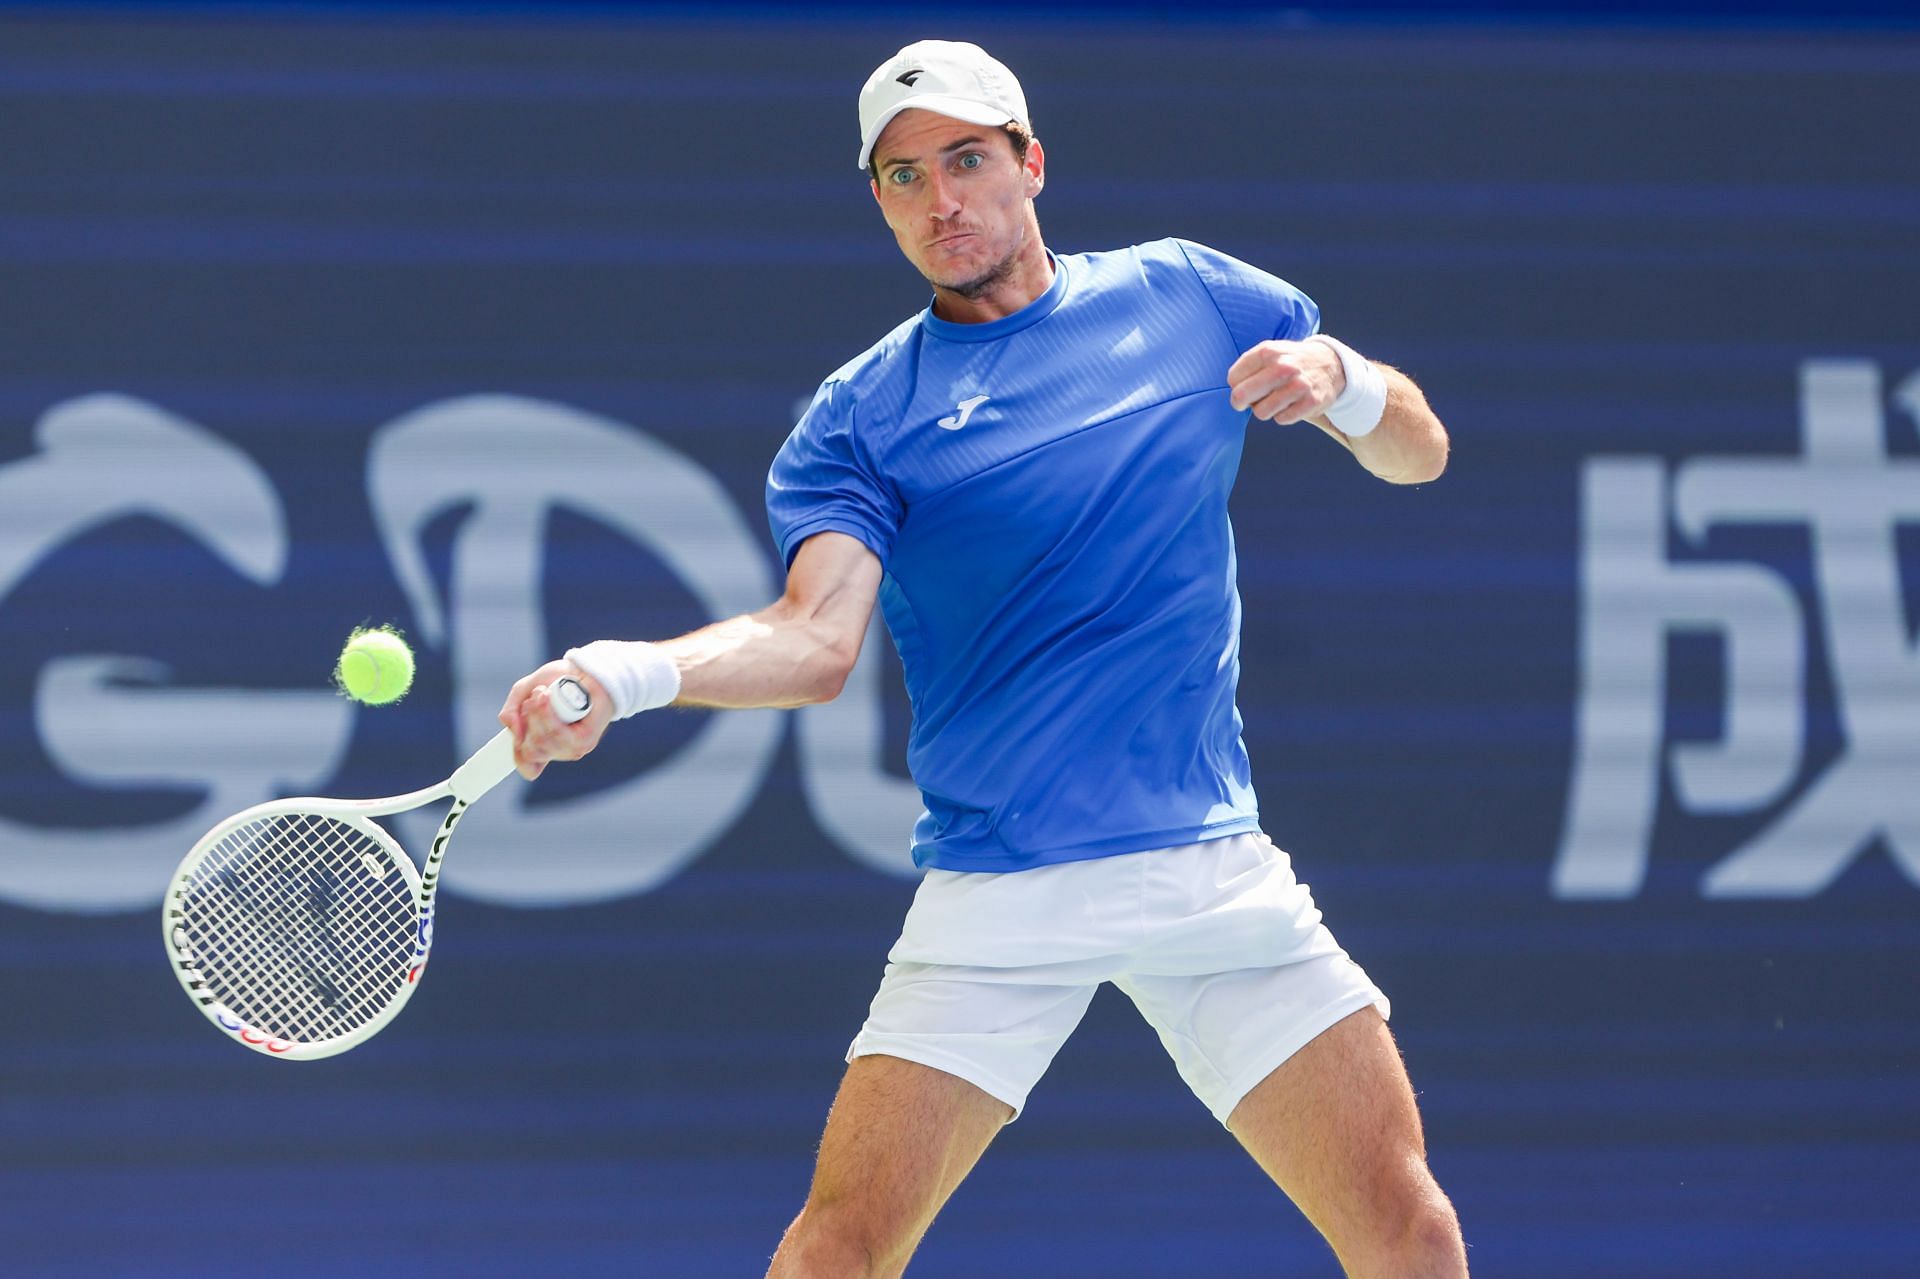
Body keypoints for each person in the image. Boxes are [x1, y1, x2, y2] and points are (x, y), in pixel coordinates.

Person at [500, 39, 1465, 1279]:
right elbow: (811, 642)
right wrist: (626, 673)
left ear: (1032, 164)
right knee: (838, 1251)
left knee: (1409, 1229)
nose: (940, 199)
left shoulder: (1191, 295)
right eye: (903, 177)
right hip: (1003, 890)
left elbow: (1419, 452)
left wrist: (1343, 383)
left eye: (965, 160)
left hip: (1211, 870)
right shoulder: (860, 416)